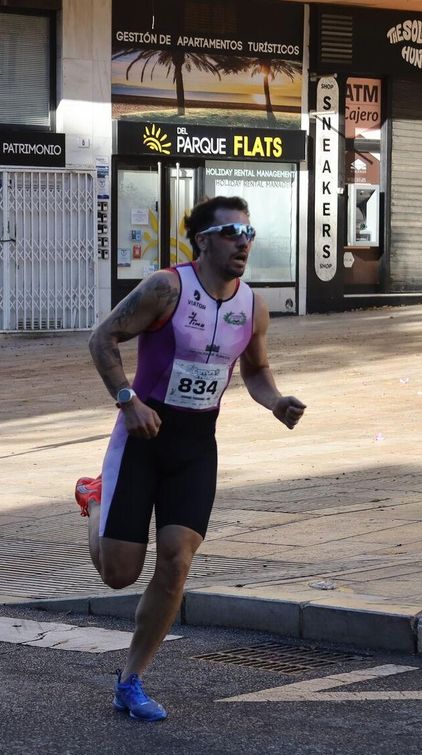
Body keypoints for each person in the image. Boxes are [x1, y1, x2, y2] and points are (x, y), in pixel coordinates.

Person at [74, 196, 306, 722]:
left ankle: (131, 679)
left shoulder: (253, 305)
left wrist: (276, 402)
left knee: (177, 559)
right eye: (230, 232)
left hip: (197, 446)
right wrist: (127, 401)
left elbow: (255, 370)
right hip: (143, 436)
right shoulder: (166, 288)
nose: (243, 241)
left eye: (249, 232)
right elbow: (101, 338)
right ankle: (94, 499)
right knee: (118, 575)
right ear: (202, 240)